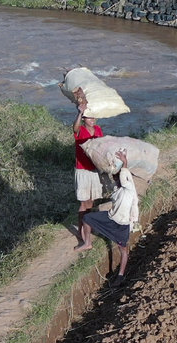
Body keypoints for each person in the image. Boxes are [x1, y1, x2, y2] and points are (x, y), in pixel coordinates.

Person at [74, 148, 139, 286]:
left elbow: (124, 175)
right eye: (115, 179)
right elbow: (121, 176)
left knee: (124, 250)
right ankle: (87, 243)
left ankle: (120, 275)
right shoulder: (118, 189)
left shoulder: (128, 189)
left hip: (122, 225)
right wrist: (123, 162)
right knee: (87, 218)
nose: (116, 181)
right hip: (111, 218)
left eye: (116, 178)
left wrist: (125, 163)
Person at [73, 100, 104, 245]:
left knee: (91, 201)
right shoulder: (80, 130)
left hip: (94, 169)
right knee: (84, 202)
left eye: (94, 117)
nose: (93, 120)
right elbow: (75, 127)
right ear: (84, 119)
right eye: (89, 117)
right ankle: (81, 230)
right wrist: (79, 112)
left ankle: (87, 228)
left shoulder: (98, 129)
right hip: (83, 170)